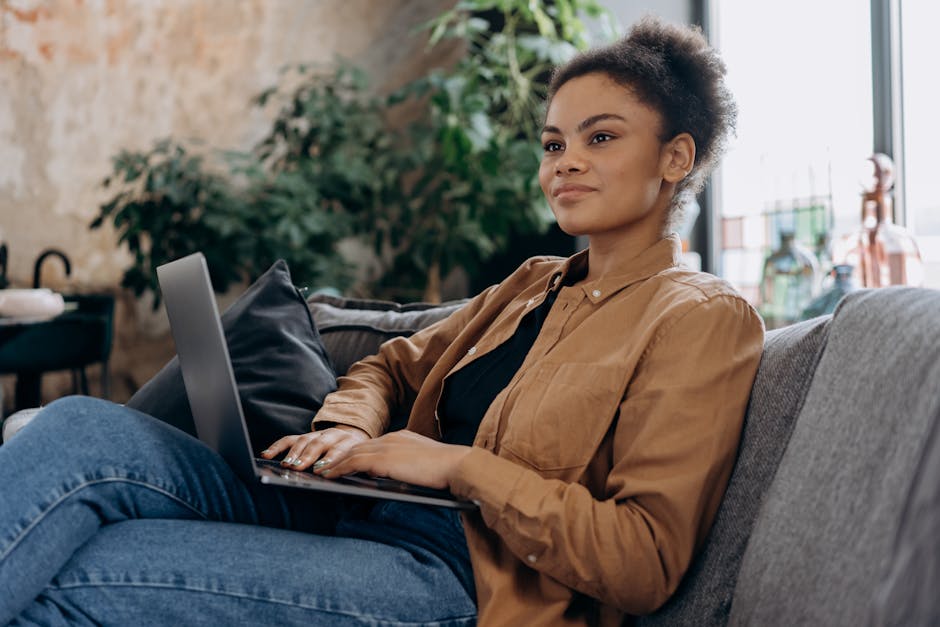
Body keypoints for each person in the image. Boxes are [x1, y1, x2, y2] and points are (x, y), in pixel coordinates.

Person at [0, 15, 763, 627]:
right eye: (553, 143)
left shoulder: (699, 319)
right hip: (354, 511)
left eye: (600, 137)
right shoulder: (532, 285)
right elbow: (391, 363)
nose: (563, 161)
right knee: (75, 428)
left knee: (83, 570)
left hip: (457, 580)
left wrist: (456, 465)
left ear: (675, 158)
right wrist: (353, 427)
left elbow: (645, 561)